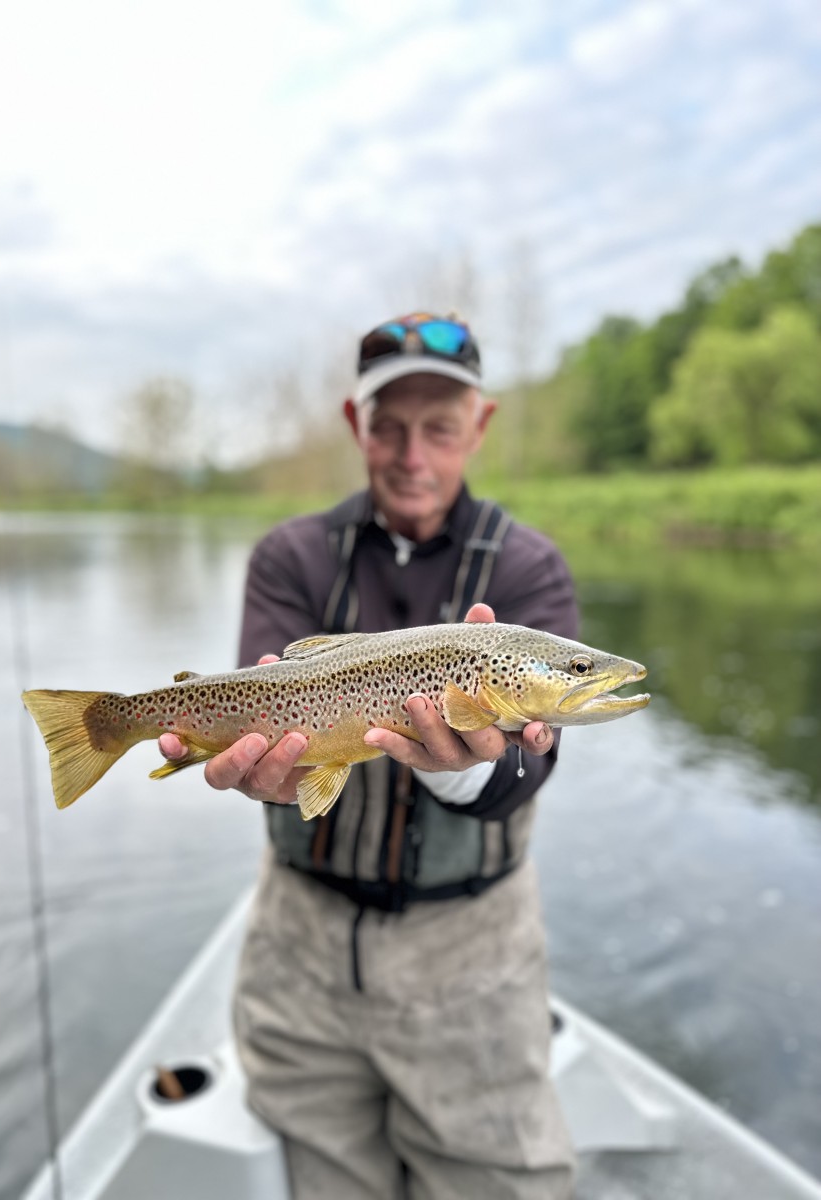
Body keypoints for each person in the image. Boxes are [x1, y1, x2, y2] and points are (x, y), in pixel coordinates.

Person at [160, 312, 578, 1199]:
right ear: (357, 426)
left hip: (474, 958)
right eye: (389, 426)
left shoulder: (530, 572)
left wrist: (462, 762)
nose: (413, 455)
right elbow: (264, 737)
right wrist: (264, 775)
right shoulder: (291, 555)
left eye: (440, 426)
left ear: (481, 426)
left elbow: (530, 767)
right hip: (300, 955)